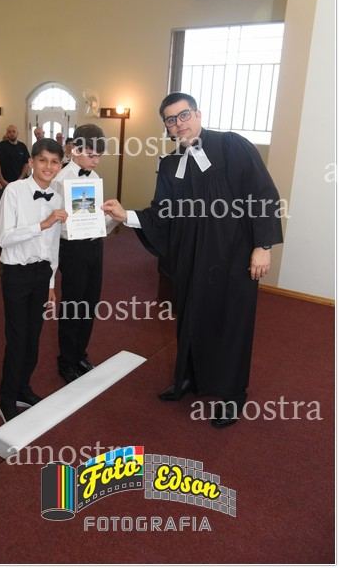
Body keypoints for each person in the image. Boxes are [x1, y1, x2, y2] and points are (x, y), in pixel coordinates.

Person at [103, 92, 283, 428]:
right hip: (191, 258)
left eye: (183, 115)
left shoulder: (231, 146)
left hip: (233, 256)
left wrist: (263, 245)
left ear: (197, 114)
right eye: (171, 120)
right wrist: (126, 215)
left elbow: (262, 193)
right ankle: (189, 378)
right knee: (190, 317)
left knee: (232, 324)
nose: (179, 124)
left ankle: (232, 394)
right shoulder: (170, 164)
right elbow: (162, 213)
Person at [0, 138, 68, 422]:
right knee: (17, 339)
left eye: (54, 162)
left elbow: (53, 245)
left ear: (60, 165)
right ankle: (6, 398)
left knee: (34, 337)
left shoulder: (58, 197)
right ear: (31, 162)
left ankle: (23, 388)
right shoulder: (13, 191)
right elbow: (4, 238)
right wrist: (42, 224)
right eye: (43, 160)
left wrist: (50, 283)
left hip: (41, 274)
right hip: (16, 273)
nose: (48, 167)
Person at [52, 124, 116, 383]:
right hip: (72, 249)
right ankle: (66, 360)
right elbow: (55, 224)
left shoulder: (94, 177)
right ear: (76, 149)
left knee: (90, 302)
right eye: (91, 155)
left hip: (94, 246)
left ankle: (80, 353)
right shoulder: (60, 180)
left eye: (99, 156)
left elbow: (96, 219)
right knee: (73, 304)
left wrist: (111, 219)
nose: (96, 161)